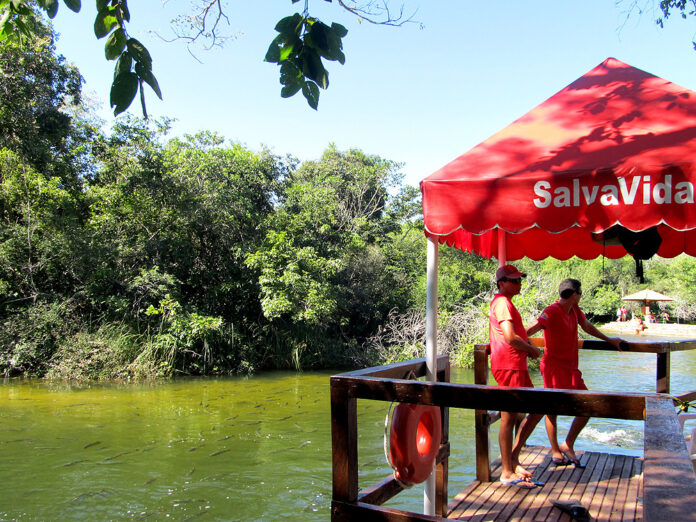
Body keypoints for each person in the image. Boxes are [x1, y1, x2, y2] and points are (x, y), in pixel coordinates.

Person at [527, 279, 623, 468]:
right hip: (553, 366)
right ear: (574, 294)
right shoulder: (551, 311)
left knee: (587, 405)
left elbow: (587, 327)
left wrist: (609, 340)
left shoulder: (575, 311)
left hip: (571, 367)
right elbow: (530, 330)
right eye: (580, 293)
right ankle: (555, 450)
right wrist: (527, 347)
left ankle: (567, 443)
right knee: (552, 409)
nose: (581, 296)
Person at [489, 264, 544, 488]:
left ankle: (512, 461)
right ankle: (506, 471)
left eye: (520, 279)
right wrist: (531, 350)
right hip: (509, 364)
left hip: (515, 364)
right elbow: (510, 337)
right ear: (502, 283)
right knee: (509, 417)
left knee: (528, 411)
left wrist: (527, 346)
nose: (519, 283)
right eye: (514, 280)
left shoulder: (506, 302)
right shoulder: (502, 302)